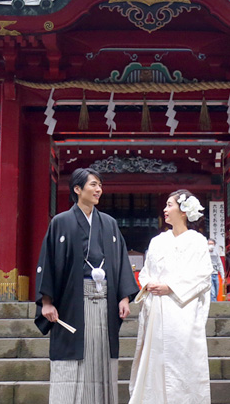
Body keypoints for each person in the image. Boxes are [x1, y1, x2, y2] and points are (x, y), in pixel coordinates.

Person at [34, 168, 140, 404]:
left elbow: (120, 260)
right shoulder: (61, 222)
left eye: (100, 185)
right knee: (73, 357)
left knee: (101, 355)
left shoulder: (109, 224)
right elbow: (48, 261)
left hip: (105, 301)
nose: (98, 189)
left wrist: (124, 297)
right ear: (77, 189)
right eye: (93, 185)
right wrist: (47, 302)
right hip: (73, 302)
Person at [128, 190, 212, 404]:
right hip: (157, 308)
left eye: (169, 205)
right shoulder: (158, 241)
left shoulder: (197, 241)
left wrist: (171, 286)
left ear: (183, 211)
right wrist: (147, 283)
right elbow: (146, 270)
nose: (165, 210)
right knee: (155, 360)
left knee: (183, 361)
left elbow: (202, 275)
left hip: (183, 309)